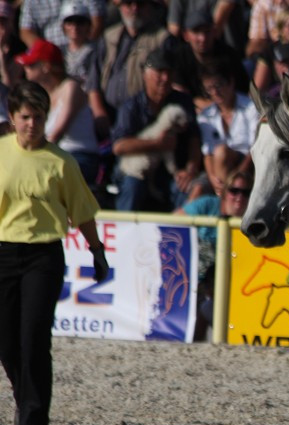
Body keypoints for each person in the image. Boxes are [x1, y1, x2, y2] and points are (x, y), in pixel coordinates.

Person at [0, 80, 109, 425]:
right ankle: (24, 396)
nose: (33, 124)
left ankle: (33, 419)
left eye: (39, 117)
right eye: (26, 116)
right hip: (0, 253)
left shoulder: (61, 163)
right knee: (5, 342)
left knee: (33, 336)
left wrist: (97, 252)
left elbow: (82, 212)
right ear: (13, 118)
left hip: (43, 256)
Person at [111, 48, 201, 212]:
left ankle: (179, 234)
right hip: (134, 169)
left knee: (187, 186)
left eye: (169, 73)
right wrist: (157, 144)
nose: (165, 78)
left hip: (171, 171)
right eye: (159, 72)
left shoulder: (183, 102)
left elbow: (194, 139)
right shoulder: (131, 107)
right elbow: (119, 146)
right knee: (133, 184)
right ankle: (124, 232)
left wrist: (190, 169)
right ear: (145, 74)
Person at [174, 168, 251, 340]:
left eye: (246, 193)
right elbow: (173, 221)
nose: (239, 197)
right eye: (234, 191)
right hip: (193, 282)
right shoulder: (208, 205)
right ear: (224, 192)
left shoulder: (253, 221)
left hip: (232, 290)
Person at [17, 40, 101, 186]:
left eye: (31, 65)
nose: (26, 69)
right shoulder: (43, 96)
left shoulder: (71, 88)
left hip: (80, 157)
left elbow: (57, 133)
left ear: (46, 67)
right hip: (55, 156)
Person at [88, 0, 170, 127]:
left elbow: (169, 83)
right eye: (128, 3)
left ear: (150, 7)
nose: (134, 8)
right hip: (108, 117)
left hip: (143, 118)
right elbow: (93, 83)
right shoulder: (108, 36)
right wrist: (99, 112)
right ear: (120, 6)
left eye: (140, 4)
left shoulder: (162, 39)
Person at [196, 59, 259, 196]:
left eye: (218, 85)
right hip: (217, 167)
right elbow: (207, 153)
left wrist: (238, 175)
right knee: (197, 190)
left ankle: (226, 200)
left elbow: (255, 148)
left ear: (231, 82)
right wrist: (212, 178)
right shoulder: (205, 116)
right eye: (209, 88)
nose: (215, 92)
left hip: (249, 164)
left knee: (221, 152)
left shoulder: (251, 108)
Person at [18, 0, 106, 48]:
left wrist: (81, 50)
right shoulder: (31, 2)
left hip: (85, 49)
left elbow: (97, 25)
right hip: (50, 59)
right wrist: (47, 53)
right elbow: (26, 32)